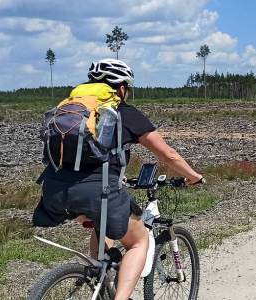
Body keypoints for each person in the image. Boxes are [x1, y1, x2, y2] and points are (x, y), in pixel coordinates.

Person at [32, 58, 205, 300]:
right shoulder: (123, 112)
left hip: (55, 190)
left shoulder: (71, 110)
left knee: (104, 227)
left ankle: (99, 279)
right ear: (121, 88)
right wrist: (194, 176)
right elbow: (168, 154)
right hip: (96, 190)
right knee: (138, 241)